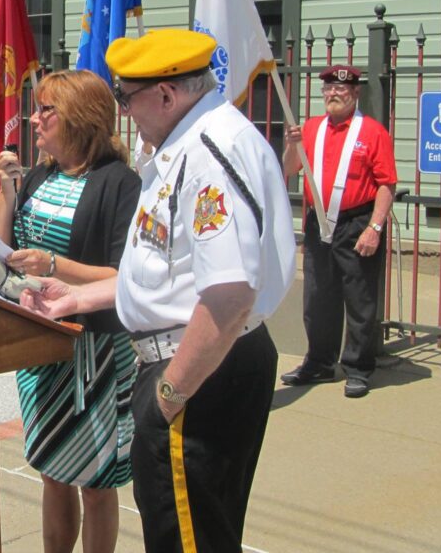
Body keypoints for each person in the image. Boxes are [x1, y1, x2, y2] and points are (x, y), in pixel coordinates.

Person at [22, 29, 296, 553]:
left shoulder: (209, 153)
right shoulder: (182, 147)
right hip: (194, 364)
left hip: (195, 370)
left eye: (126, 97)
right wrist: (78, 298)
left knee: (188, 540)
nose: (123, 112)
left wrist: (170, 394)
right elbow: (171, 274)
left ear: (167, 95)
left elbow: (229, 297)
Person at [0, 69, 139, 553]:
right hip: (41, 348)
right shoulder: (39, 175)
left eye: (45, 110)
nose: (33, 120)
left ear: (78, 117)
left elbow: (126, 276)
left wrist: (55, 264)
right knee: (52, 472)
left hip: (93, 352)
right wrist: (8, 190)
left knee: (95, 484)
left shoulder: (119, 183)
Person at [281, 64, 397, 398]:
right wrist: (291, 145)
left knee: (359, 298)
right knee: (317, 297)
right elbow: (290, 168)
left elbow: (386, 184)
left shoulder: (372, 132)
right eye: (329, 90)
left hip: (357, 221)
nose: (333, 95)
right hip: (319, 222)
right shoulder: (312, 128)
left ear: (355, 93)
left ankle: (358, 368)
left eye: (341, 90)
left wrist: (374, 227)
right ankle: (319, 362)